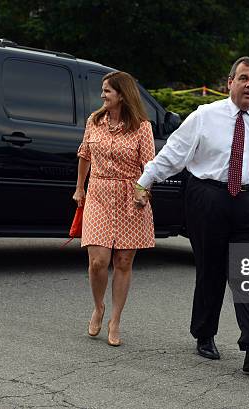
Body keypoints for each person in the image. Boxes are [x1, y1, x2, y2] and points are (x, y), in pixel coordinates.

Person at [133, 57, 249, 373]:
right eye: (243, 78)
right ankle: (204, 333)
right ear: (230, 82)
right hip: (209, 198)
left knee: (247, 274)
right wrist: (145, 181)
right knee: (211, 270)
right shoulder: (205, 116)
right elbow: (175, 153)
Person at [73, 71, 155, 347]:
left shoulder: (142, 126)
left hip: (130, 197)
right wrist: (79, 188)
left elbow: (150, 166)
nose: (102, 95)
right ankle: (99, 307)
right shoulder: (94, 122)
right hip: (98, 193)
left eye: (107, 90)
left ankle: (116, 319)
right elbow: (85, 155)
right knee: (98, 261)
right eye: (103, 90)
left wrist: (143, 192)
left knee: (123, 262)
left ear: (122, 94)